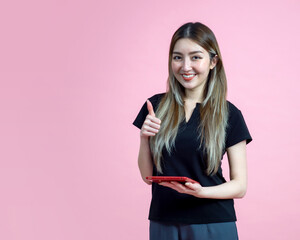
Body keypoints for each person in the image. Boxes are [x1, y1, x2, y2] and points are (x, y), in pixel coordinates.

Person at [133, 22, 252, 240]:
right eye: (178, 57)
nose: (185, 66)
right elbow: (147, 176)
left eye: (196, 57)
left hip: (213, 222)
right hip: (164, 220)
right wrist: (144, 138)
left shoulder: (230, 114)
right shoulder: (155, 106)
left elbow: (240, 186)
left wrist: (201, 192)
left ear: (213, 61)